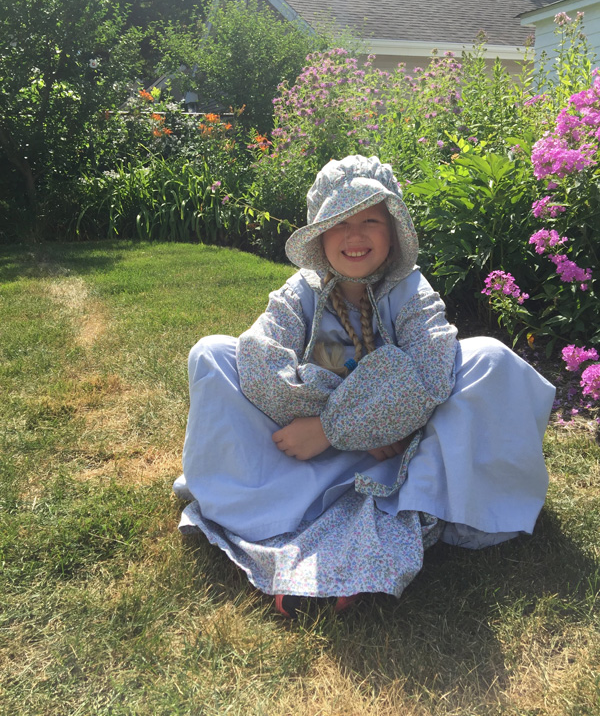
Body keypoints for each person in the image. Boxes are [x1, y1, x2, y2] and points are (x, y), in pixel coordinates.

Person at [173, 154, 555, 618]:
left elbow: (430, 370)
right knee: (212, 353)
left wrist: (336, 427)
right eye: (339, 222)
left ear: (394, 232)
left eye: (370, 220)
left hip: (400, 451)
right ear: (319, 235)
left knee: (489, 359)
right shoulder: (300, 293)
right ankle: (253, 497)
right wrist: (332, 425)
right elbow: (260, 357)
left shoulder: (411, 291)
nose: (354, 236)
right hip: (305, 452)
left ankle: (429, 501)